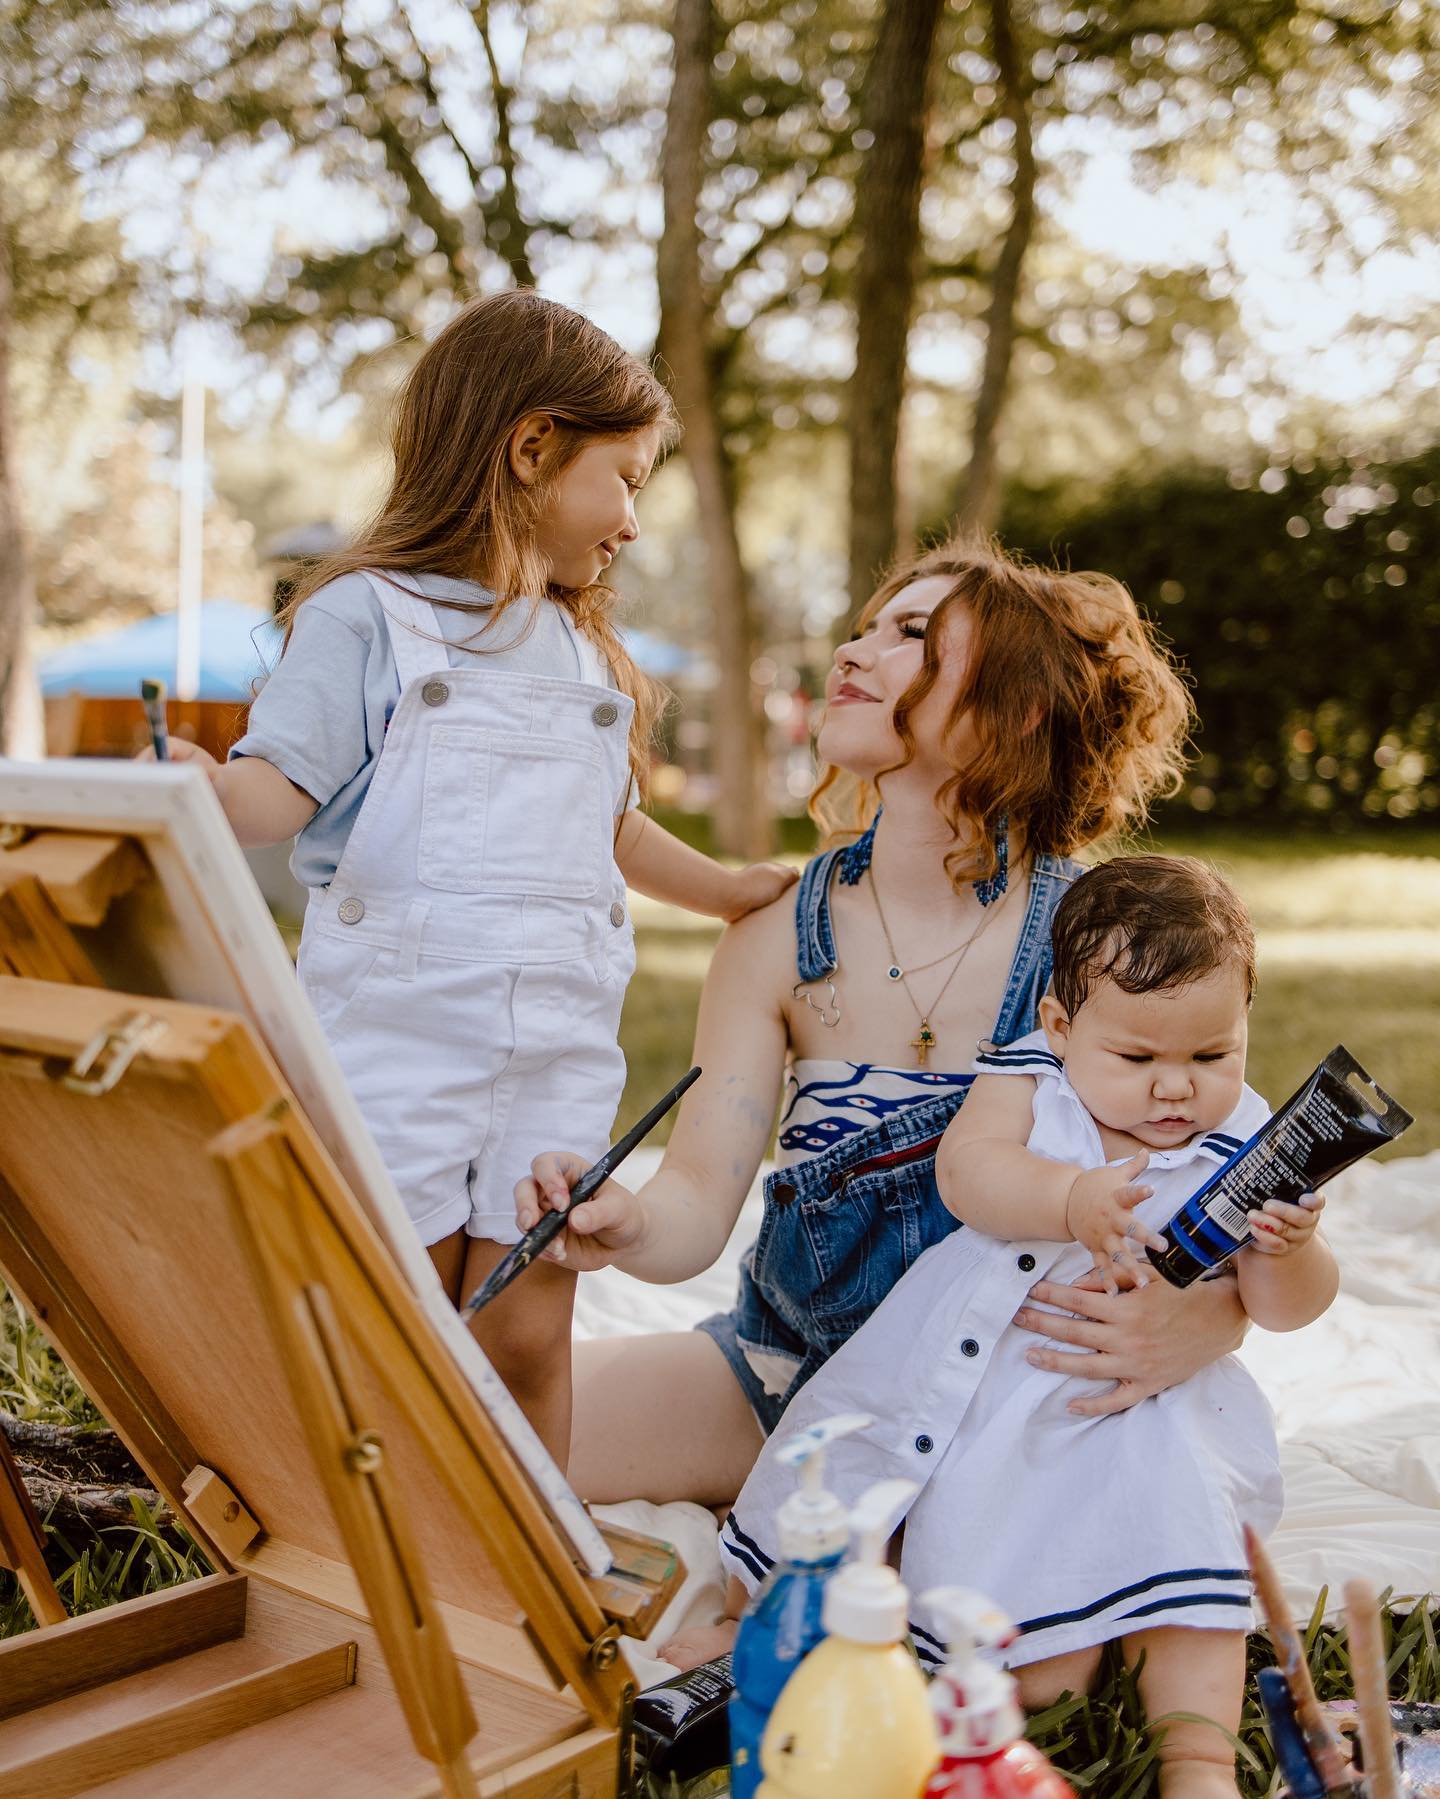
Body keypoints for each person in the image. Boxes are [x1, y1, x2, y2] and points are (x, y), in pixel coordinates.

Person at [143, 290, 794, 1467]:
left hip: (554, 1048)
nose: (635, 523)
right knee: (403, 1320)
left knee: (532, 1328)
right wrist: (196, 783)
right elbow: (272, 791)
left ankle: (537, 1572)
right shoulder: (361, 618)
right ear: (532, 447)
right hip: (397, 1041)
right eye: (628, 478)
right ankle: (400, 1560)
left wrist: (732, 888)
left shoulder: (579, 647)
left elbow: (614, 828)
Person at [516, 541, 1255, 1552]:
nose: (856, 649)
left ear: (1018, 708)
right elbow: (694, 1200)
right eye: (866, 624)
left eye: (912, 634)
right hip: (784, 1372)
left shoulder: (1095, 935)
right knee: (478, 1431)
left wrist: (1214, 1320)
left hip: (1004, 1394)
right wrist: (623, 1222)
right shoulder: (777, 934)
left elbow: (1196, 1159)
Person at [718, 855, 1337, 1798]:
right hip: (987, 1379)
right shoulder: (1029, 1083)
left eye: (1211, 1056)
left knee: (1191, 1542)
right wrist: (1069, 1196)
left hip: (1148, 1409)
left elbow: (1286, 1308)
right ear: (1060, 1025)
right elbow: (969, 1174)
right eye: (1138, 1059)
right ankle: (753, 1633)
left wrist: (1287, 1252)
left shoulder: (1248, 1140)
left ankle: (1199, 1758)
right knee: (912, 1544)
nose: (1176, 1089)